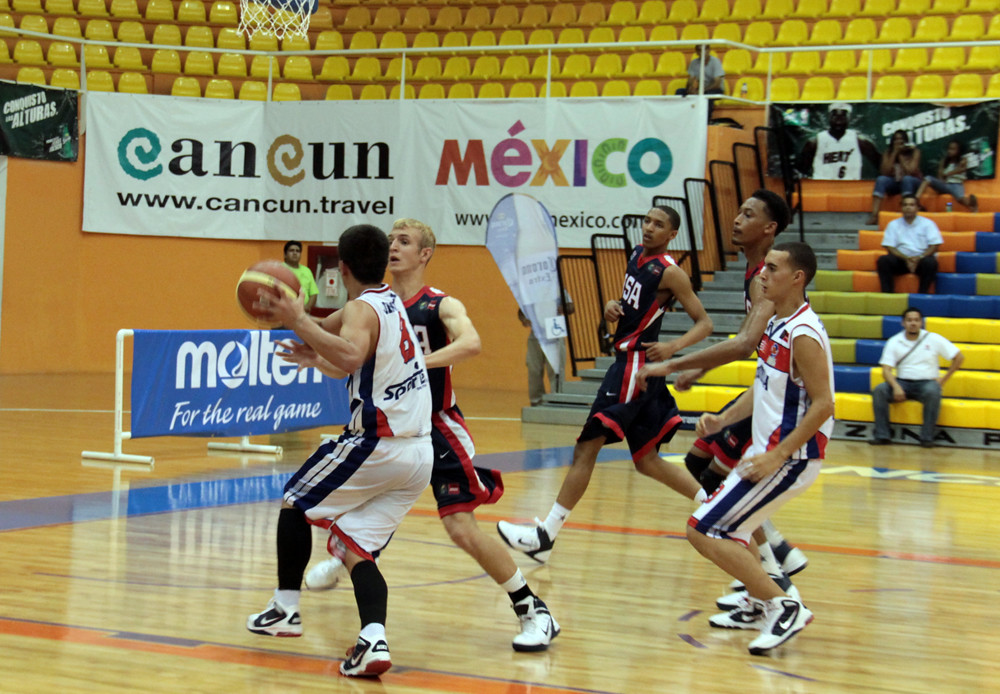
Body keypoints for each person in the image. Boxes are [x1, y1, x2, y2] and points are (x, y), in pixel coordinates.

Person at [304, 218, 559, 651]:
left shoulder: (438, 304)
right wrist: (298, 336)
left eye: (405, 241)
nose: (394, 247)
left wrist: (418, 362)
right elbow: (332, 348)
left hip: (437, 425)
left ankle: (533, 609)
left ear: (425, 255)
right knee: (355, 500)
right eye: (390, 241)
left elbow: (472, 343)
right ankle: (343, 551)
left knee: (460, 527)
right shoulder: (372, 305)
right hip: (384, 429)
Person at [246, 224, 433, 678]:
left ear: (340, 267)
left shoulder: (363, 309)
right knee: (354, 547)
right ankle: (373, 640)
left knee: (294, 501)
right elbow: (334, 338)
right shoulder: (389, 300)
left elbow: (349, 354)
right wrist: (306, 332)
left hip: (379, 444)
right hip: (419, 455)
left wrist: (297, 321)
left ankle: (285, 609)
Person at [497, 205, 713, 562]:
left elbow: (704, 323)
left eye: (658, 225)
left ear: (672, 235)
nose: (648, 228)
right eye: (646, 220)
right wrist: (613, 306)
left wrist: (672, 348)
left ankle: (545, 536)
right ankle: (714, 506)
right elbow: (634, 307)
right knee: (647, 460)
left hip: (634, 367)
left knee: (587, 448)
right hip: (629, 364)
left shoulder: (671, 273)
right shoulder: (636, 256)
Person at [636, 190, 808, 586]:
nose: (736, 219)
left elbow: (746, 343)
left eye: (748, 214)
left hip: (784, 402)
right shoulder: (754, 273)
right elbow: (749, 340)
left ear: (769, 229)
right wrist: (700, 370)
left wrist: (677, 362)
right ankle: (773, 555)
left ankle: (768, 567)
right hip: (767, 390)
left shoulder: (769, 277)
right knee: (700, 464)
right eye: (739, 210)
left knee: (720, 479)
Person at [689, 241, 834, 656]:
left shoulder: (804, 333)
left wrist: (779, 454)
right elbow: (765, 386)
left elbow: (824, 404)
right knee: (735, 529)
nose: (762, 274)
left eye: (772, 268)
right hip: (763, 451)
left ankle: (784, 605)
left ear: (797, 278)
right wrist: (724, 420)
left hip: (789, 459)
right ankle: (758, 602)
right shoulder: (776, 321)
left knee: (703, 529)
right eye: (763, 267)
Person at [870, 307, 964, 447]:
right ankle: (882, 435)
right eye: (909, 320)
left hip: (926, 383)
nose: (913, 323)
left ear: (921, 323)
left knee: (933, 391)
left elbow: (959, 357)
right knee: (879, 390)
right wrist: (896, 387)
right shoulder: (894, 341)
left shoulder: (933, 338)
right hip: (902, 382)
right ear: (903, 323)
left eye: (916, 320)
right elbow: (886, 370)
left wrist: (943, 380)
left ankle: (927, 437)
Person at [876, 193, 943, 294]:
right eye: (905, 205)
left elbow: (935, 245)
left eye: (911, 205)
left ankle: (922, 294)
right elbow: (890, 247)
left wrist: (919, 258)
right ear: (901, 208)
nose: (908, 207)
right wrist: (906, 259)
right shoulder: (893, 224)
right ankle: (887, 294)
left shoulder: (928, 224)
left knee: (930, 263)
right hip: (901, 260)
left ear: (917, 207)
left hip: (921, 260)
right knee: (883, 260)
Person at [797, 103, 880, 181]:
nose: (838, 120)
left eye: (843, 116)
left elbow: (880, 165)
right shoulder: (815, 142)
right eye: (835, 116)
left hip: (850, 188)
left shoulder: (861, 141)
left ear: (849, 117)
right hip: (822, 188)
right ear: (829, 117)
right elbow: (800, 170)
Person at [519, 293, 574, 407]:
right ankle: (536, 401)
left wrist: (561, 307)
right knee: (534, 368)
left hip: (554, 331)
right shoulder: (531, 288)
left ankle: (557, 399)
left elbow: (571, 307)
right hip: (536, 333)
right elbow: (521, 310)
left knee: (556, 368)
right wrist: (524, 319)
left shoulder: (557, 288)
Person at [868, 129, 922, 226]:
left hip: (912, 182)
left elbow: (911, 171)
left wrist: (901, 156)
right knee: (881, 179)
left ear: (905, 141)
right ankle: (875, 215)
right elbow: (884, 171)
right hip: (895, 182)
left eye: (901, 139)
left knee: (907, 179)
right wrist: (894, 153)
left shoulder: (914, 151)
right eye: (896, 139)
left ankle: (906, 215)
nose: (898, 142)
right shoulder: (888, 152)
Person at [915, 139, 978, 213]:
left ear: (958, 150)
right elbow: (940, 173)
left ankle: (972, 205)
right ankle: (916, 200)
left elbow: (962, 169)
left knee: (961, 198)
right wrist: (940, 183)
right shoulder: (944, 160)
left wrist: (949, 173)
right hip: (945, 184)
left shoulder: (962, 159)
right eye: (949, 149)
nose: (950, 151)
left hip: (956, 184)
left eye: (953, 149)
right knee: (927, 178)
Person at [676, 44, 725, 119]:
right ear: (696, 52)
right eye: (699, 50)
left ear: (709, 50)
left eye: (704, 49)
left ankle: (706, 121)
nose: (702, 52)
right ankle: (681, 118)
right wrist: (690, 89)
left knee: (708, 96)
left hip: (713, 89)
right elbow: (690, 80)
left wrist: (701, 91)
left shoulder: (715, 62)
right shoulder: (694, 63)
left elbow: (717, 84)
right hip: (700, 89)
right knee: (680, 92)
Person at [283, 240, 320, 313]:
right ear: (285, 255)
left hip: (303, 314)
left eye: (297, 251)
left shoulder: (307, 271)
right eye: (291, 250)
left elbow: (314, 293)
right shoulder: (279, 269)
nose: (295, 253)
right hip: (284, 314)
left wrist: (307, 307)